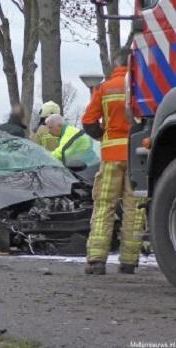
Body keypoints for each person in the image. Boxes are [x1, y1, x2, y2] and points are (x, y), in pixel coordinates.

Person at [81, 49, 145, 275]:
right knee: (135, 208)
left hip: (110, 157)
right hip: (137, 155)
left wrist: (103, 135)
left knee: (104, 206)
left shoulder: (105, 88)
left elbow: (88, 121)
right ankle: (129, 261)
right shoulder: (143, 86)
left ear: (115, 63)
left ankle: (97, 260)